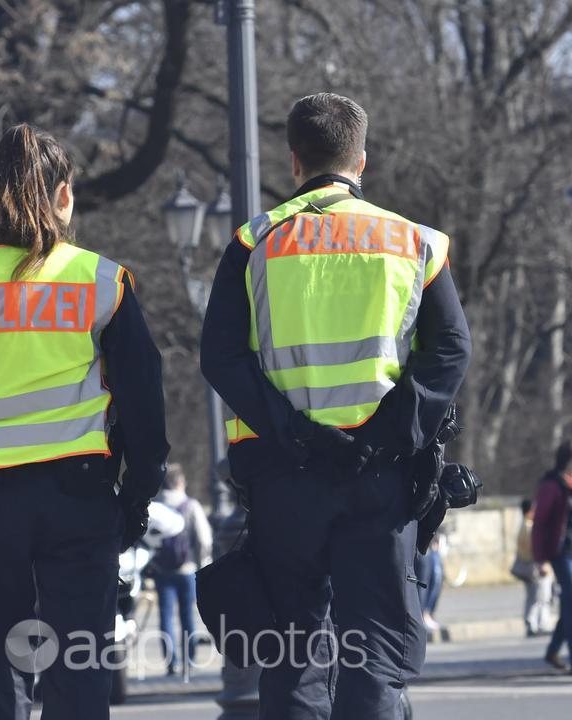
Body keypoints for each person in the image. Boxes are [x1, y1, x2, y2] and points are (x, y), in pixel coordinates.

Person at [200, 92, 471, 719]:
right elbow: (451, 349)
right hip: (378, 479)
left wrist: (293, 432)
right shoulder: (414, 242)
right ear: (362, 161)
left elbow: (221, 357)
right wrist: (385, 435)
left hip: (285, 479)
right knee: (373, 653)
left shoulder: (253, 243)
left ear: (294, 161)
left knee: (292, 654)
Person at [0, 124, 170, 720]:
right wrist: (137, 496)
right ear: (65, 195)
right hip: (79, 499)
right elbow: (145, 404)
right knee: (77, 676)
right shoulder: (103, 282)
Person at [150, 464, 212, 675]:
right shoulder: (191, 505)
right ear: (180, 482)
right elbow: (204, 539)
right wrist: (202, 563)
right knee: (188, 616)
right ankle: (190, 660)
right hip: (187, 570)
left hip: (162, 570)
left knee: (166, 616)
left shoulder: (155, 506)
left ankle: (170, 662)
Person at [532, 441, 572, 672]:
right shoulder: (552, 485)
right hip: (560, 553)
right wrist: (540, 559)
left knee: (569, 602)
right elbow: (539, 524)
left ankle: (553, 650)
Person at [514, 498, 555, 638]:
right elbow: (536, 549)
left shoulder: (523, 526)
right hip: (536, 568)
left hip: (529, 567)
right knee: (540, 597)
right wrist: (542, 563)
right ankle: (537, 623)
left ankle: (532, 623)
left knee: (533, 597)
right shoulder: (530, 527)